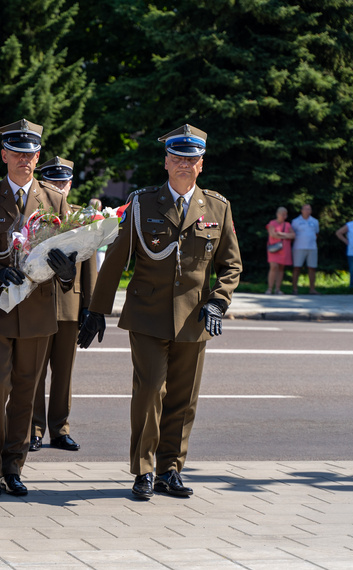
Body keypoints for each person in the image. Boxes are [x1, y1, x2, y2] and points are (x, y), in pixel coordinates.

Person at [77, 124, 241, 500]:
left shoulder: (217, 206)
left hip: (195, 318)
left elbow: (231, 266)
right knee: (151, 390)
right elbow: (116, 261)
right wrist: (97, 310)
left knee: (184, 398)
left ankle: (171, 469)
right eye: (178, 158)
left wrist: (218, 301)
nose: (184, 165)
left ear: (201, 164)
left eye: (192, 159)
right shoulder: (142, 203)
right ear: (166, 162)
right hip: (148, 315)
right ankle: (144, 470)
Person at [0, 118, 77, 498]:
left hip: (38, 311)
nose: (25, 159)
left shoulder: (54, 199)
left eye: (31, 153)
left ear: (38, 156)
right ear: (4, 154)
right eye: (18, 152)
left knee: (26, 390)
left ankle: (14, 466)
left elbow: (70, 254)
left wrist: (68, 271)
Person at [29, 156, 97, 453]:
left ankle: (59, 429)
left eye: (64, 181)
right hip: (37, 304)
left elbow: (90, 267)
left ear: (71, 184)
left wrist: (90, 308)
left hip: (70, 305)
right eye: (53, 181)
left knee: (64, 372)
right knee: (33, 371)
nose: (60, 187)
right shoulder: (35, 217)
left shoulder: (82, 217)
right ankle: (33, 429)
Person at [291, 204, 320, 295]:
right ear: (302, 210)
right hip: (298, 247)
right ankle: (295, 289)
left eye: (309, 209)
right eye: (306, 209)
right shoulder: (295, 221)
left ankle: (312, 289)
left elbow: (316, 234)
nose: (307, 211)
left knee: (312, 268)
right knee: (296, 268)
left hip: (312, 248)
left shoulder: (315, 221)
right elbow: (292, 234)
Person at [265, 207, 294, 295]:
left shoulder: (288, 224)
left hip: (284, 249)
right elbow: (273, 234)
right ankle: (269, 288)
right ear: (277, 214)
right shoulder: (272, 223)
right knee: (273, 267)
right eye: (282, 214)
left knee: (281, 268)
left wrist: (281, 234)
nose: (284, 216)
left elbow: (293, 235)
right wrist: (286, 236)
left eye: (285, 214)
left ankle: (277, 289)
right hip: (273, 249)